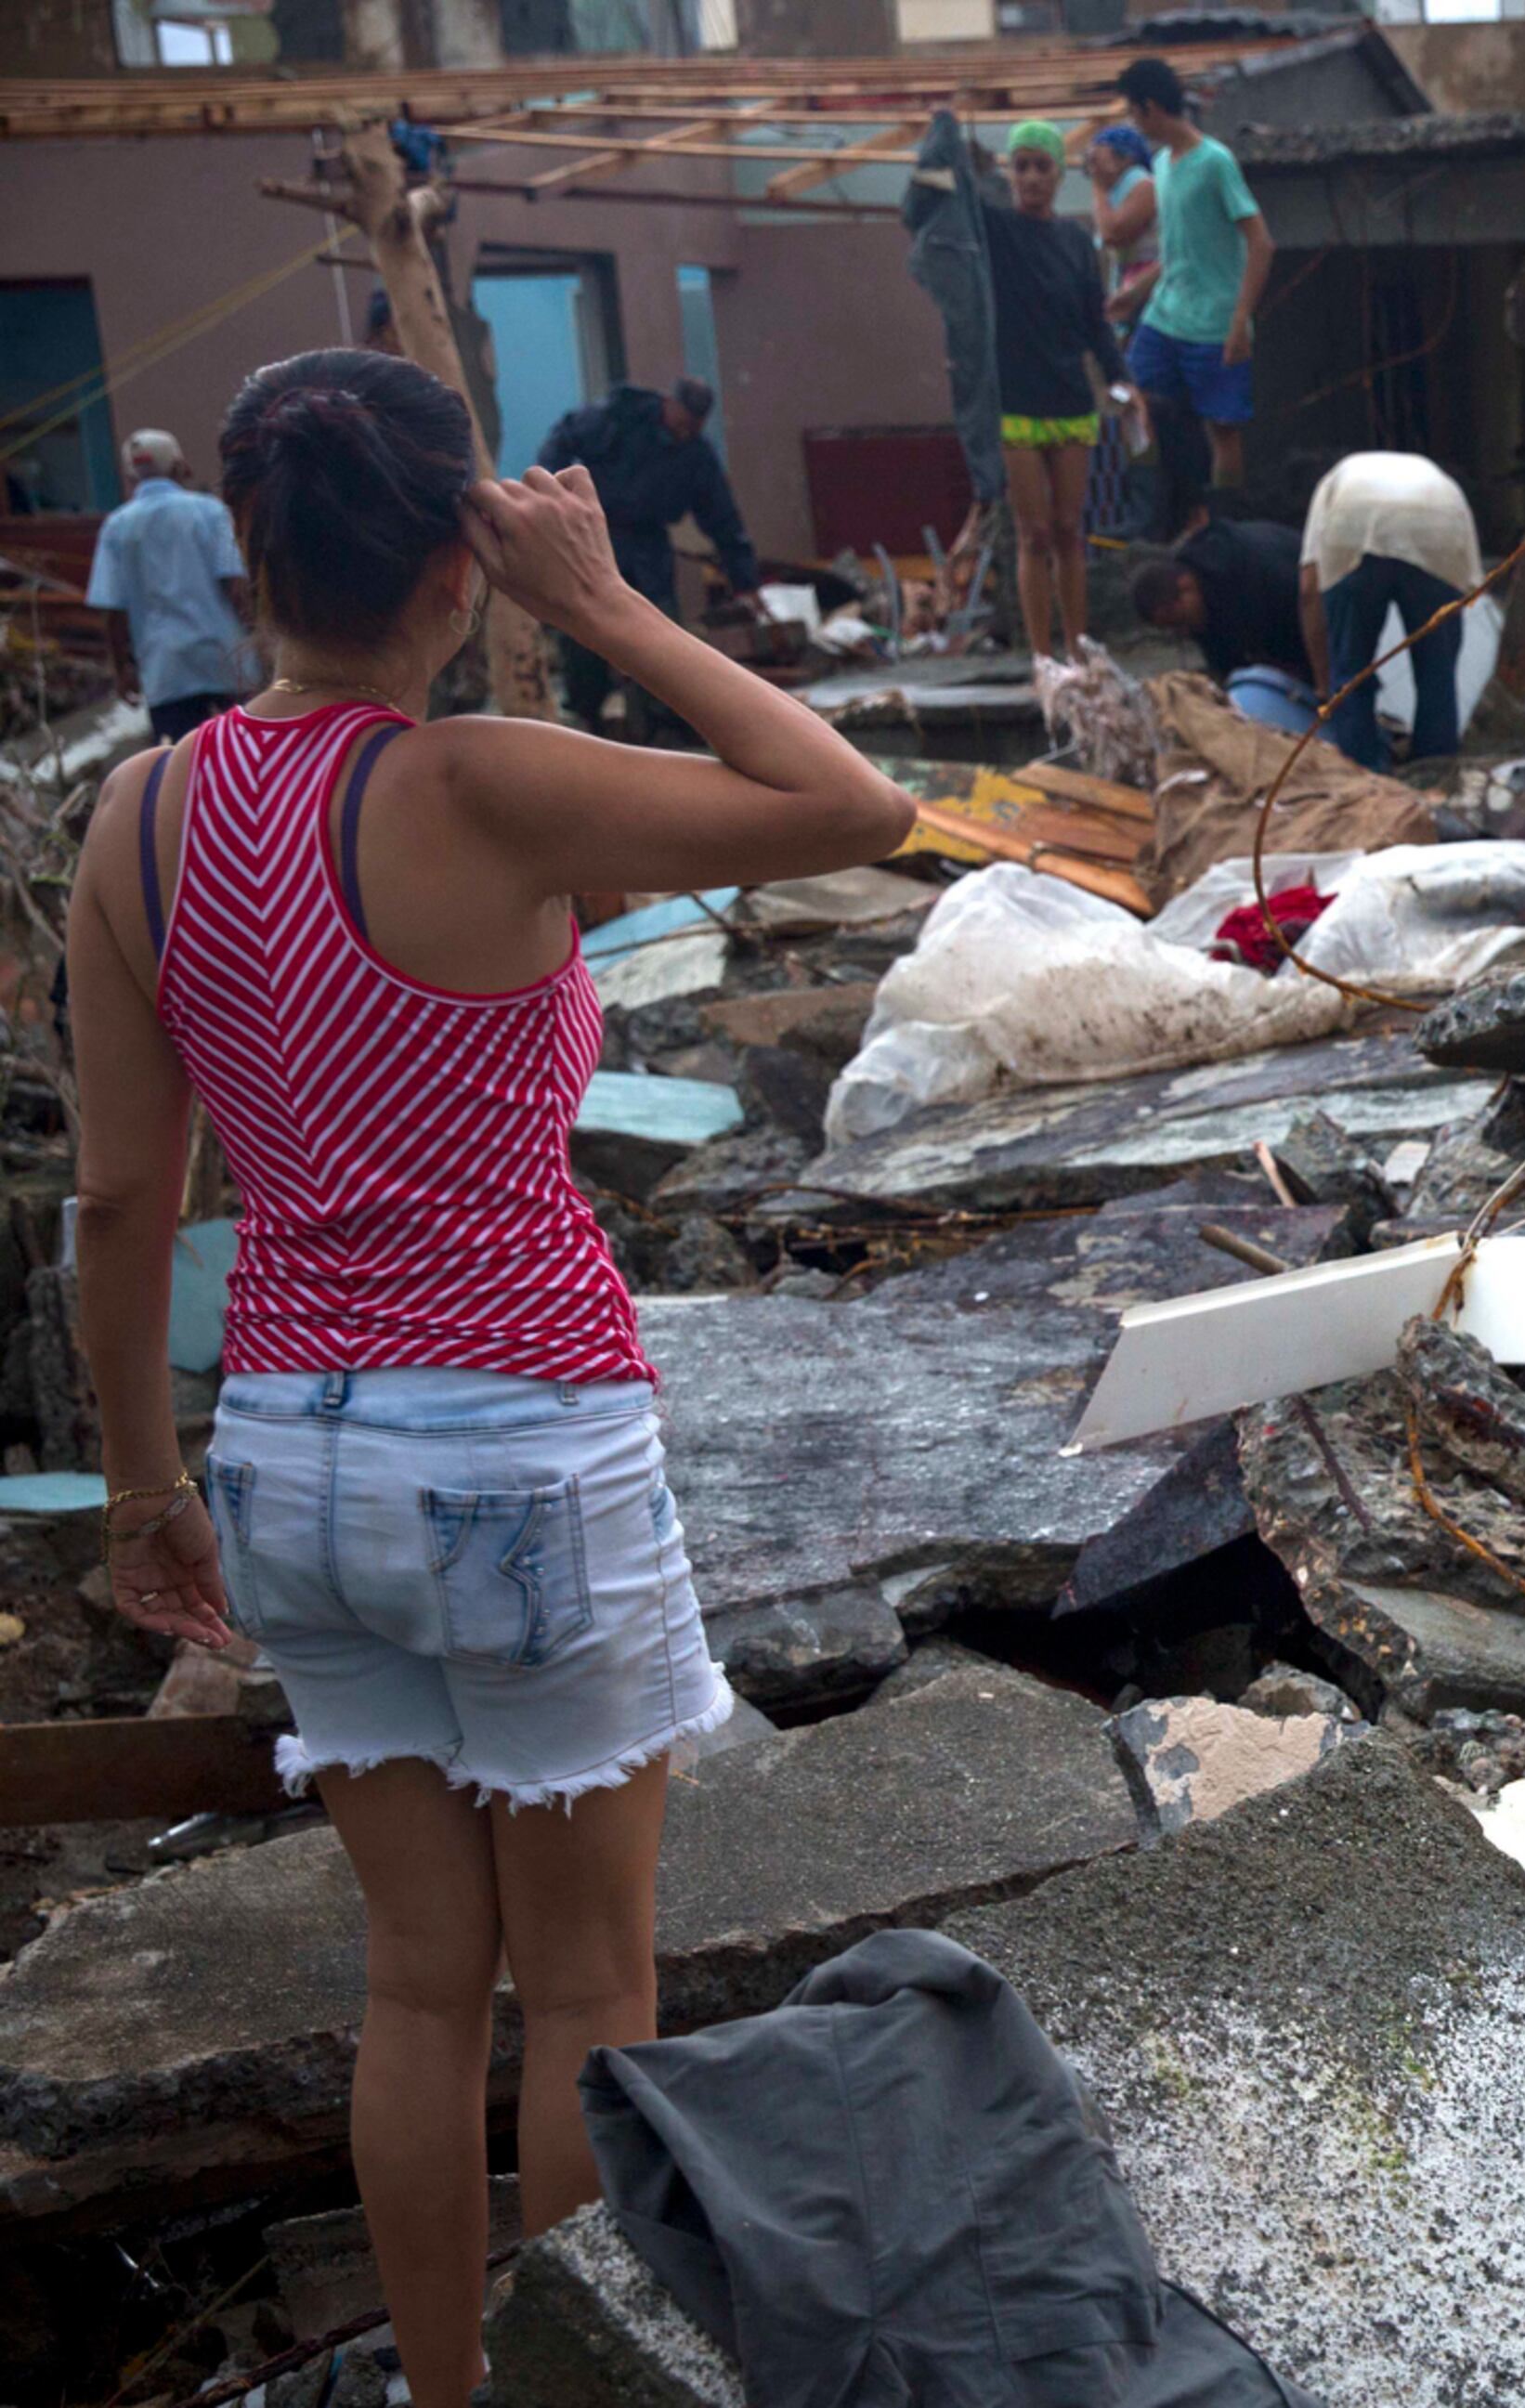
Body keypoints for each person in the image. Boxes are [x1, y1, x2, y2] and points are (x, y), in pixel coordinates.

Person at [64, 346, 917, 2402]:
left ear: (247, 555)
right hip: (517, 1430)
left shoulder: (142, 813)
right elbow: (858, 806)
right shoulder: (477, 776)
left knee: (421, 1988)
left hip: (285, 1447)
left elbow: (114, 1201)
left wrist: (136, 1493)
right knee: (592, 1984)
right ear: (465, 553)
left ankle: (448, 2392)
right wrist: (607, 603)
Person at [979, 119, 1128, 660]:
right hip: (1016, 402)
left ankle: (1077, 644)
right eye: (1022, 166)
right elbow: (957, 202)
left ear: (1058, 174)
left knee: (1069, 529)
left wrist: (1119, 380)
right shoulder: (995, 231)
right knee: (1033, 532)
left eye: (1042, 166)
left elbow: (1095, 321)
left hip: (1071, 400)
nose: (1032, 177)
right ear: (1010, 173)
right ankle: (1041, 654)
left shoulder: (1074, 241)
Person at [532, 378, 756, 736]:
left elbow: (722, 518)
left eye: (693, 427)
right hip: (597, 536)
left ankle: (663, 719)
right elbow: (562, 441)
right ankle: (587, 713)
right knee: (582, 627)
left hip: (650, 547)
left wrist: (744, 580)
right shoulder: (618, 417)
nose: (685, 430)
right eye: (682, 420)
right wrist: (553, 498)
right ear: (668, 403)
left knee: (660, 631)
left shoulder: (696, 455)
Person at [1115, 55, 1271, 533]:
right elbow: (1178, 248)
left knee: (1223, 429)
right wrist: (1137, 292)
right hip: (1166, 315)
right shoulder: (1161, 164)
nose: (1132, 122)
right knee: (1131, 396)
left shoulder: (1214, 161)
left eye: (1133, 112)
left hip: (1214, 320)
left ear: (1151, 108)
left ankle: (1224, 524)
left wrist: (1240, 318)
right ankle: (1157, 511)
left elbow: (1260, 242)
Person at [1298, 450, 1480, 773]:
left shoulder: (1332, 484)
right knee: (1437, 676)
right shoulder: (1438, 477)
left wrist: (1325, 684)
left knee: (1351, 674)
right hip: (1439, 519)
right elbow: (1468, 586)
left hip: (1352, 523)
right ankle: (1436, 777)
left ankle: (1364, 778)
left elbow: (1308, 589)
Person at [86, 430, 253, 740]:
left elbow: (112, 610)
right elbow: (236, 586)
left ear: (129, 475)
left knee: (182, 768)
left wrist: (121, 670)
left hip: (166, 673)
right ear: (180, 467)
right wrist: (259, 643)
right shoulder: (211, 512)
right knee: (250, 757)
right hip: (228, 662)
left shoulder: (116, 527)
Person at [1129, 510, 1309, 683]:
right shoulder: (1203, 609)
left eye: (1180, 622)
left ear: (1186, 586)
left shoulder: (1250, 569)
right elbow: (1230, 670)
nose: (1184, 632)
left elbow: (1309, 612)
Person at [1088, 122, 1160, 328]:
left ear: (1124, 159)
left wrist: (1098, 187)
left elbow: (1112, 233)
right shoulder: (1117, 189)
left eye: (1097, 160)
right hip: (1129, 276)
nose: (1092, 168)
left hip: (1148, 281)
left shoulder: (1141, 183)